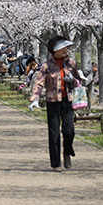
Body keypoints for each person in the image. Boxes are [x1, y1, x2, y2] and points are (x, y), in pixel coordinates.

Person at [28, 36, 81, 172]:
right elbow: (39, 83)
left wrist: (72, 80)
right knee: (54, 132)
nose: (65, 50)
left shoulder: (72, 64)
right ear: (54, 50)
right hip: (52, 101)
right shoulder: (46, 66)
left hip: (67, 101)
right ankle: (56, 163)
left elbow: (79, 82)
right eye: (62, 48)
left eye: (66, 47)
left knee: (69, 130)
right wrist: (35, 98)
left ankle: (67, 151)